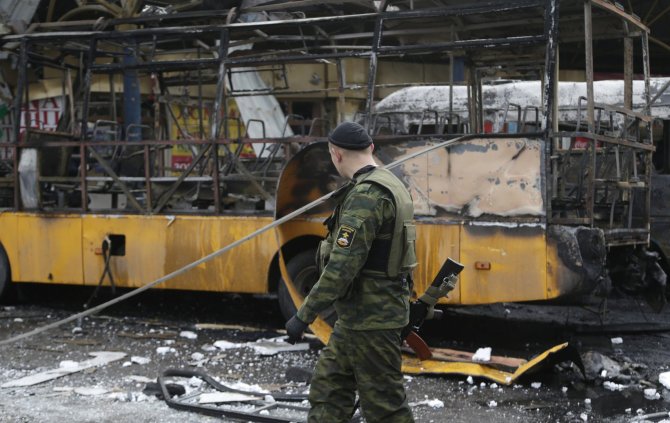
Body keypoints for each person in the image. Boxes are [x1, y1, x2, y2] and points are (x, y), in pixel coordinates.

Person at [285, 121, 417, 423]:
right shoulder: (392, 183)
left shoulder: (366, 196)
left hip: (372, 321)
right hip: (358, 319)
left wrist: (303, 316)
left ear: (336, 155)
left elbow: (341, 267)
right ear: (370, 148)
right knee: (328, 388)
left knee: (385, 408)